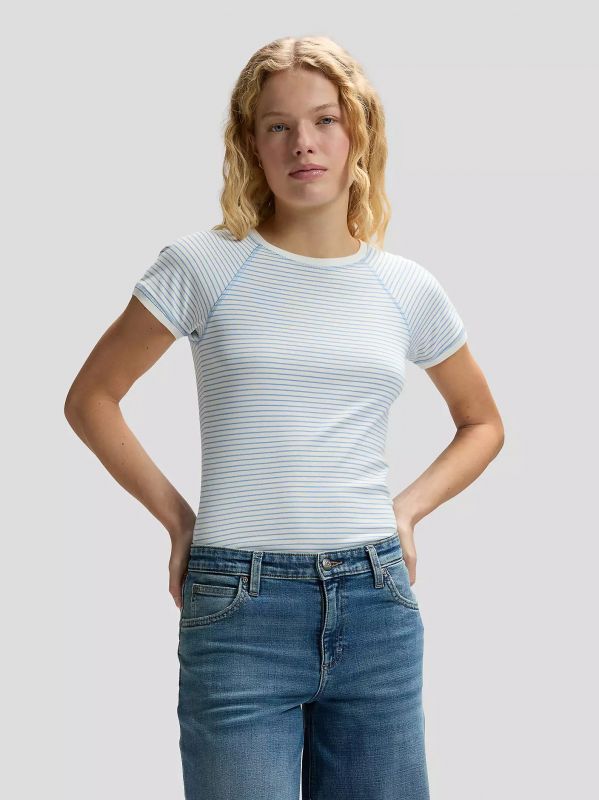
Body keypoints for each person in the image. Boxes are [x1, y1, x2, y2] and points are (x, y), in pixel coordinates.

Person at [64, 35, 504, 800]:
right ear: (251, 144)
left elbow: (481, 423)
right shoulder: (203, 266)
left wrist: (405, 512)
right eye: (278, 125)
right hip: (239, 606)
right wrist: (178, 522)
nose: (303, 142)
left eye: (325, 120)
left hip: (375, 604)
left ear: (358, 132)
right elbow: (91, 398)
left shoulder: (405, 288)